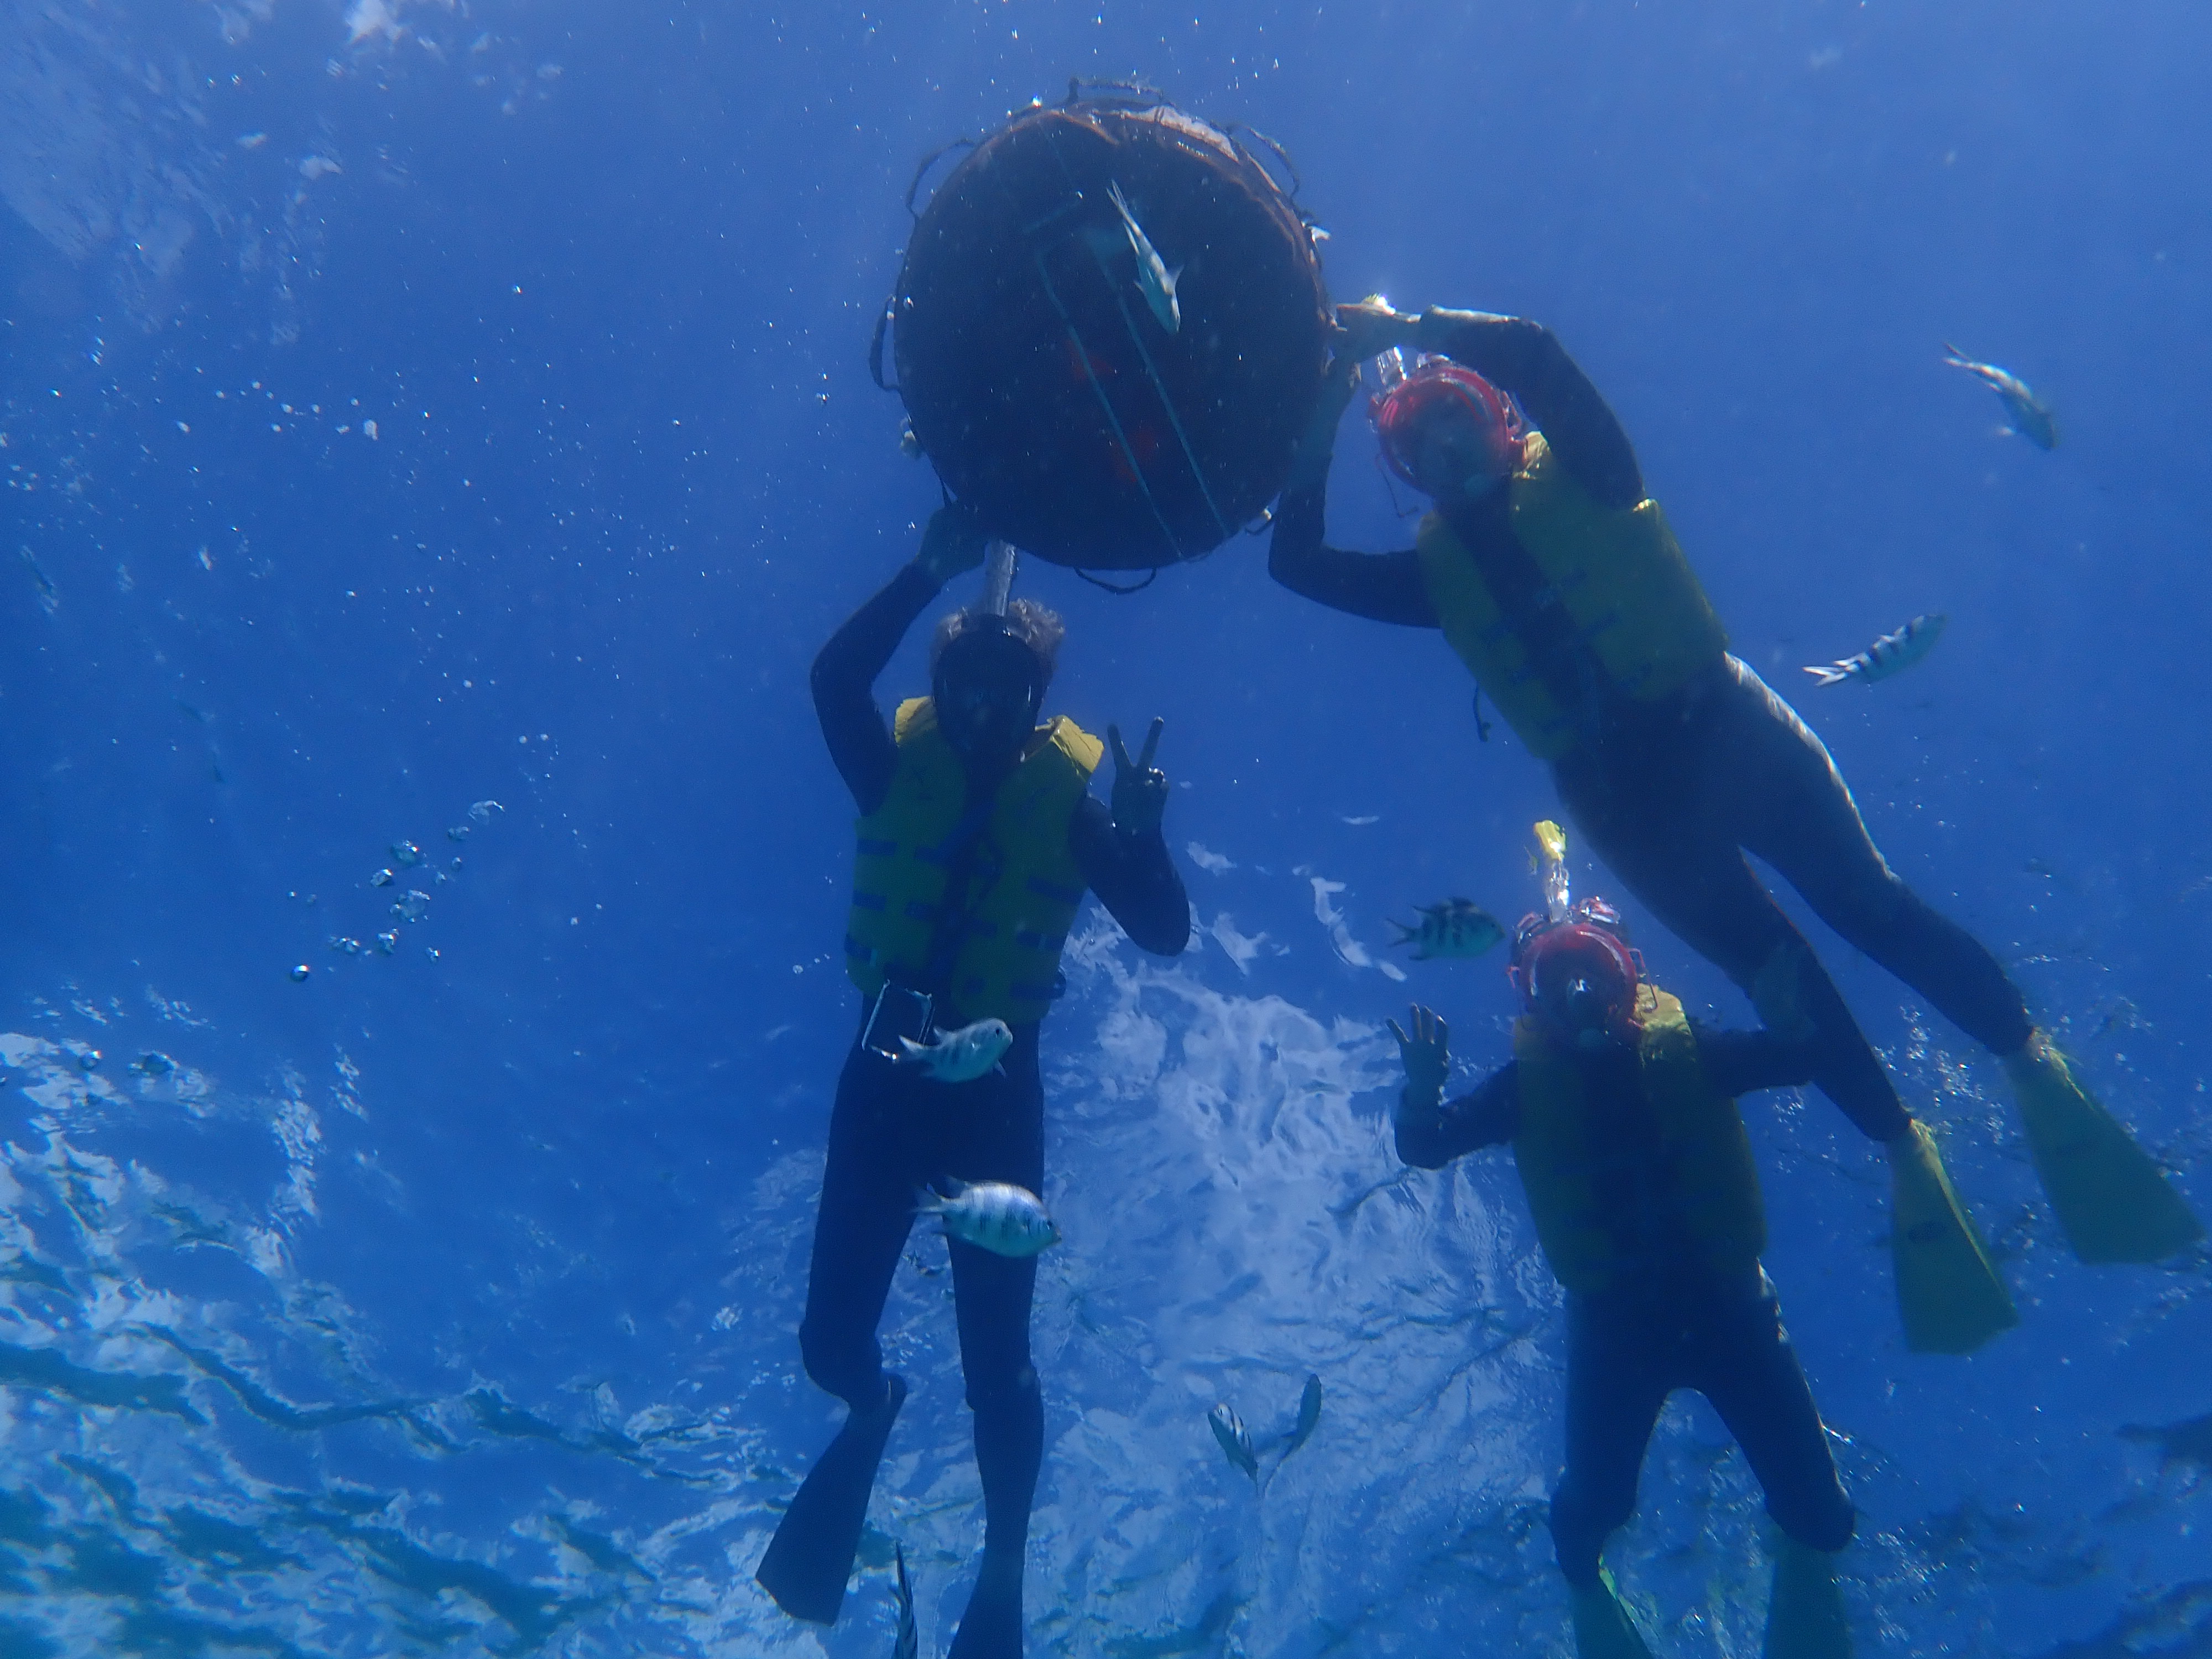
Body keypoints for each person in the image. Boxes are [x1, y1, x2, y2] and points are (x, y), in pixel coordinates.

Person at [1272, 299, 2200, 1301]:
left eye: (1457, 419)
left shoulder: (1589, 469)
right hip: (1627, 808)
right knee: (1779, 980)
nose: (1445, 448)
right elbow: (1296, 564)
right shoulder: (1438, 581)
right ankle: (1903, 1153)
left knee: (1868, 909)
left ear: (1503, 424)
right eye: (1419, 446)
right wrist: (1329, 401)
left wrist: (1414, 324)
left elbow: (1537, 353)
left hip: (1723, 728)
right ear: (1408, 479)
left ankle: (2028, 1060)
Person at [757, 504, 1190, 1657]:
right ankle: (872, 1406)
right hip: (881, 1078)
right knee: (824, 1347)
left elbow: (1161, 933)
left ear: (1038, 702)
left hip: (997, 1096)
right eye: (968, 690)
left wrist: (1142, 839)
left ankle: (999, 1568)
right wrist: (919, 572)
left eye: (1010, 695)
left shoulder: (1075, 809)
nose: (986, 712)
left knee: (997, 1366)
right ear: (942, 692)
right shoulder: (888, 764)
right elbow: (830, 676)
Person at [1390, 902, 1859, 1659]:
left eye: (1593, 971)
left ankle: (1797, 1565)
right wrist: (1419, 1092)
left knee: (1826, 1521)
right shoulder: (1523, 1087)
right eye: (1558, 979)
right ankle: (1585, 1587)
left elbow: (1794, 1062)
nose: (1578, 994)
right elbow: (1427, 1146)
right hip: (1619, 1332)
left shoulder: (1688, 1051)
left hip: (1731, 1313)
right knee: (1594, 1510)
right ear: (1533, 997)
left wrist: (1790, 1022)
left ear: (1626, 978)